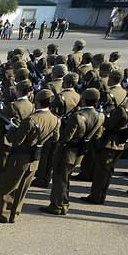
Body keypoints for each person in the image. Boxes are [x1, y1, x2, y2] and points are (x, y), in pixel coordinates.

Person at [0, 90, 59, 223]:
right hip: (35, 157)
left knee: (9, 186)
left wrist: (10, 129)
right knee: (23, 188)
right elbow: (55, 138)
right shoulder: (55, 120)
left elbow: (16, 140)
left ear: (37, 101)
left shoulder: (31, 120)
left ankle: (3, 214)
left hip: (20, 157)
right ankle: (14, 213)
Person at [40, 88, 104, 216]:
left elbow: (65, 138)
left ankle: (57, 206)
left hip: (67, 151)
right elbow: (98, 135)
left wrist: (61, 128)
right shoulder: (99, 116)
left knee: (59, 179)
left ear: (84, 99)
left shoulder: (78, 116)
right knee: (66, 178)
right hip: (80, 151)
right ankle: (64, 202)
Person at [84, 82, 128, 205]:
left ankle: (96, 196)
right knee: (109, 169)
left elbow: (109, 124)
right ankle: (101, 194)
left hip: (111, 141)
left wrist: (105, 114)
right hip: (124, 141)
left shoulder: (123, 109)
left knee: (101, 170)